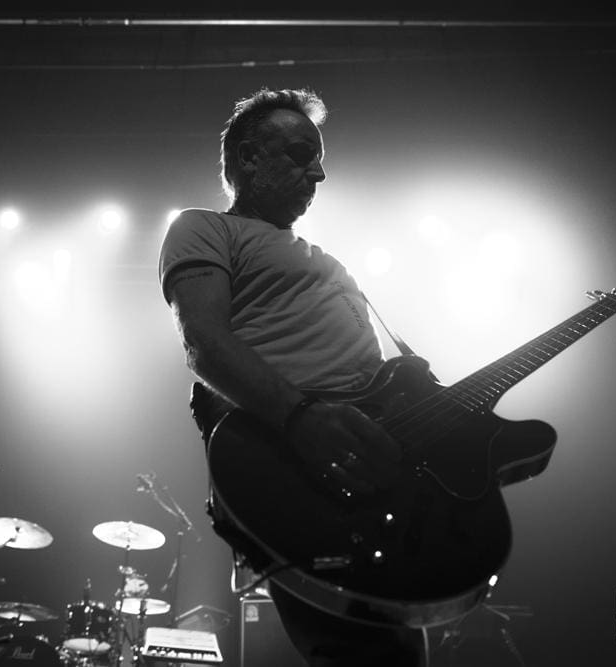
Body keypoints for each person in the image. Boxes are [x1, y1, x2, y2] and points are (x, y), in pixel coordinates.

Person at [158, 87, 425, 666]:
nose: (319, 173)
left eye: (320, 159)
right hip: (295, 464)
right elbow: (205, 345)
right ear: (249, 158)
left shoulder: (326, 258)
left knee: (399, 646)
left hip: (364, 465)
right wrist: (303, 418)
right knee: (357, 648)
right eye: (303, 154)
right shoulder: (204, 228)